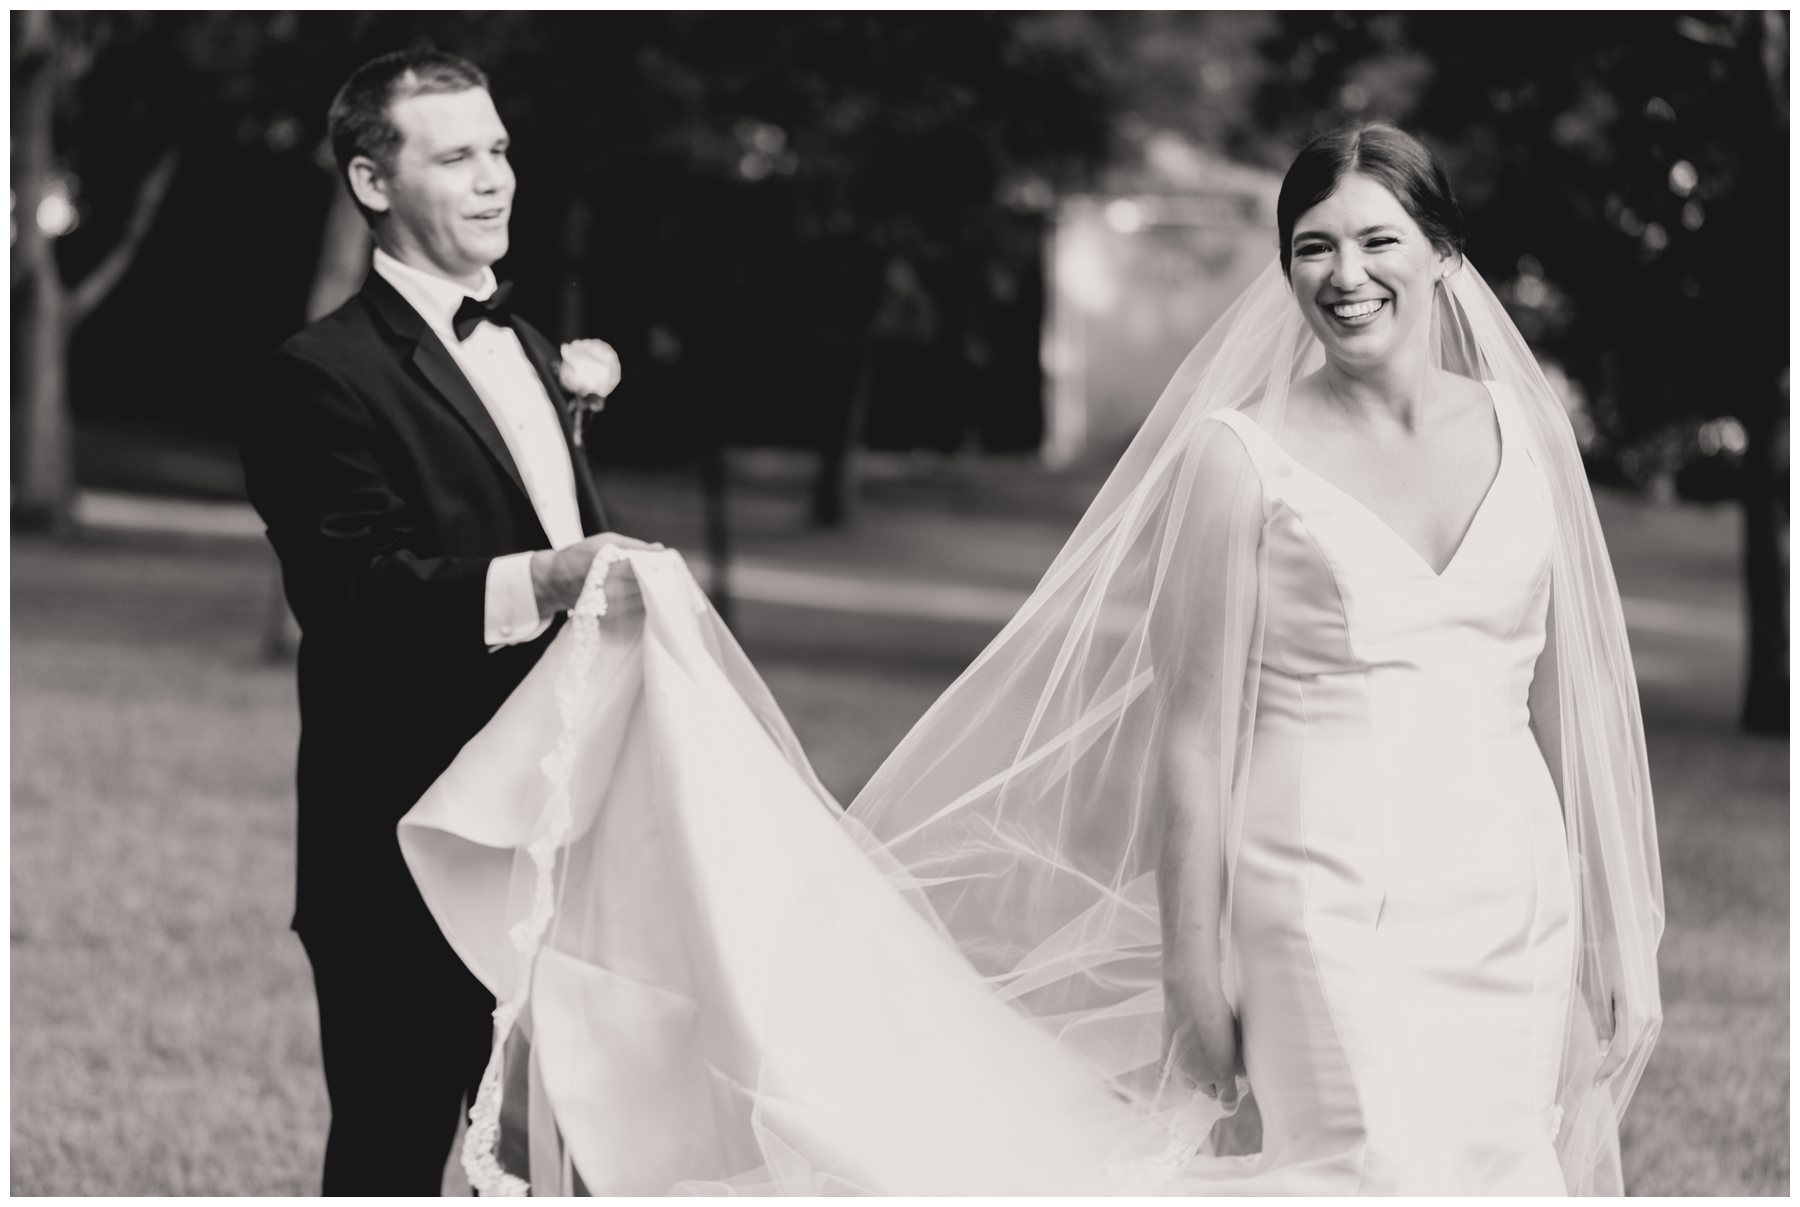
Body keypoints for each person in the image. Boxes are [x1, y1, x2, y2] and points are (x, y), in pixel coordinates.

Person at [400, 123, 1661, 1195]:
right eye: (1313, 247)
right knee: (1363, 1166)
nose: (1346, 275)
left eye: (1379, 239)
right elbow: (1191, 738)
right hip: (1324, 898)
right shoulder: (1242, 460)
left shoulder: (1524, 430)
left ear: (1442, 254)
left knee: (1498, 1165)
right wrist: (1191, 981)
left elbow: (1569, 700)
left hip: (1511, 898)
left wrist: (1610, 929)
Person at [239, 48, 651, 1195]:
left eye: (501, 149)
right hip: (410, 846)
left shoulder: (525, 345)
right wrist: (549, 578)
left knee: (558, 1158)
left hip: (561, 835)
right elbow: (354, 593)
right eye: (457, 154)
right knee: (392, 1157)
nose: (494, 179)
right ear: (374, 183)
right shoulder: (315, 376)